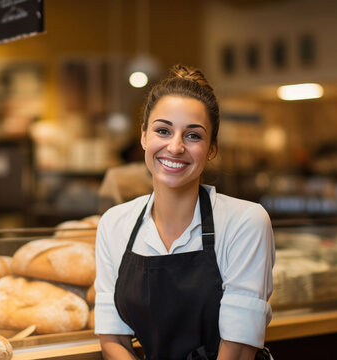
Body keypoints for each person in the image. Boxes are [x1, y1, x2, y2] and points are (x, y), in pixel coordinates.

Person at [94, 65, 275, 360]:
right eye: (163, 131)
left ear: (211, 149)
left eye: (193, 136)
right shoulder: (115, 224)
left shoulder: (246, 221)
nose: (175, 147)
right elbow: (113, 338)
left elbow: (239, 350)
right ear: (143, 137)